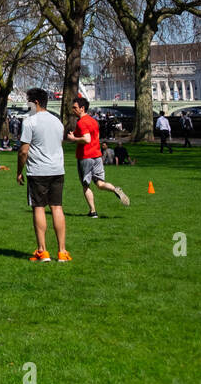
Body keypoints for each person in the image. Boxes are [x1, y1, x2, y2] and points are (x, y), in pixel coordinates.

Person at [17, 87, 69, 262]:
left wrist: (18, 171)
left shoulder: (30, 122)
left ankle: (42, 250)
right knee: (57, 207)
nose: (27, 104)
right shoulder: (57, 122)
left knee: (38, 208)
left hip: (38, 171)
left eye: (28, 101)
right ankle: (62, 251)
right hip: (57, 169)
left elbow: (24, 151)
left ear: (36, 102)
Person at [68, 96, 128, 218]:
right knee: (100, 184)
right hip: (97, 156)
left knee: (86, 185)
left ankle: (93, 211)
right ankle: (115, 189)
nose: (72, 110)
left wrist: (73, 138)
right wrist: (76, 134)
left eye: (75, 108)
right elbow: (93, 136)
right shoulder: (94, 121)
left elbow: (86, 139)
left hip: (85, 157)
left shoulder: (81, 122)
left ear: (82, 108)